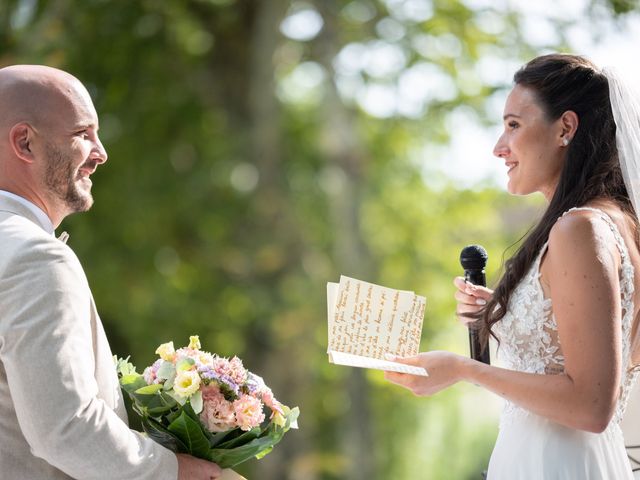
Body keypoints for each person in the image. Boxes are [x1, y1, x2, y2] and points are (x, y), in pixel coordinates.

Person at [384, 54, 640, 478]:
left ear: (566, 128)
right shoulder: (621, 226)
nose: (499, 147)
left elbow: (592, 404)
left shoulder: (578, 229)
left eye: (514, 125)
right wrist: (507, 312)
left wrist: (463, 368)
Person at [0, 65, 222, 479]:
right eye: (83, 135)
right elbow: (63, 427)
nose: (101, 153)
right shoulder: (35, 256)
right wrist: (177, 471)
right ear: (25, 142)